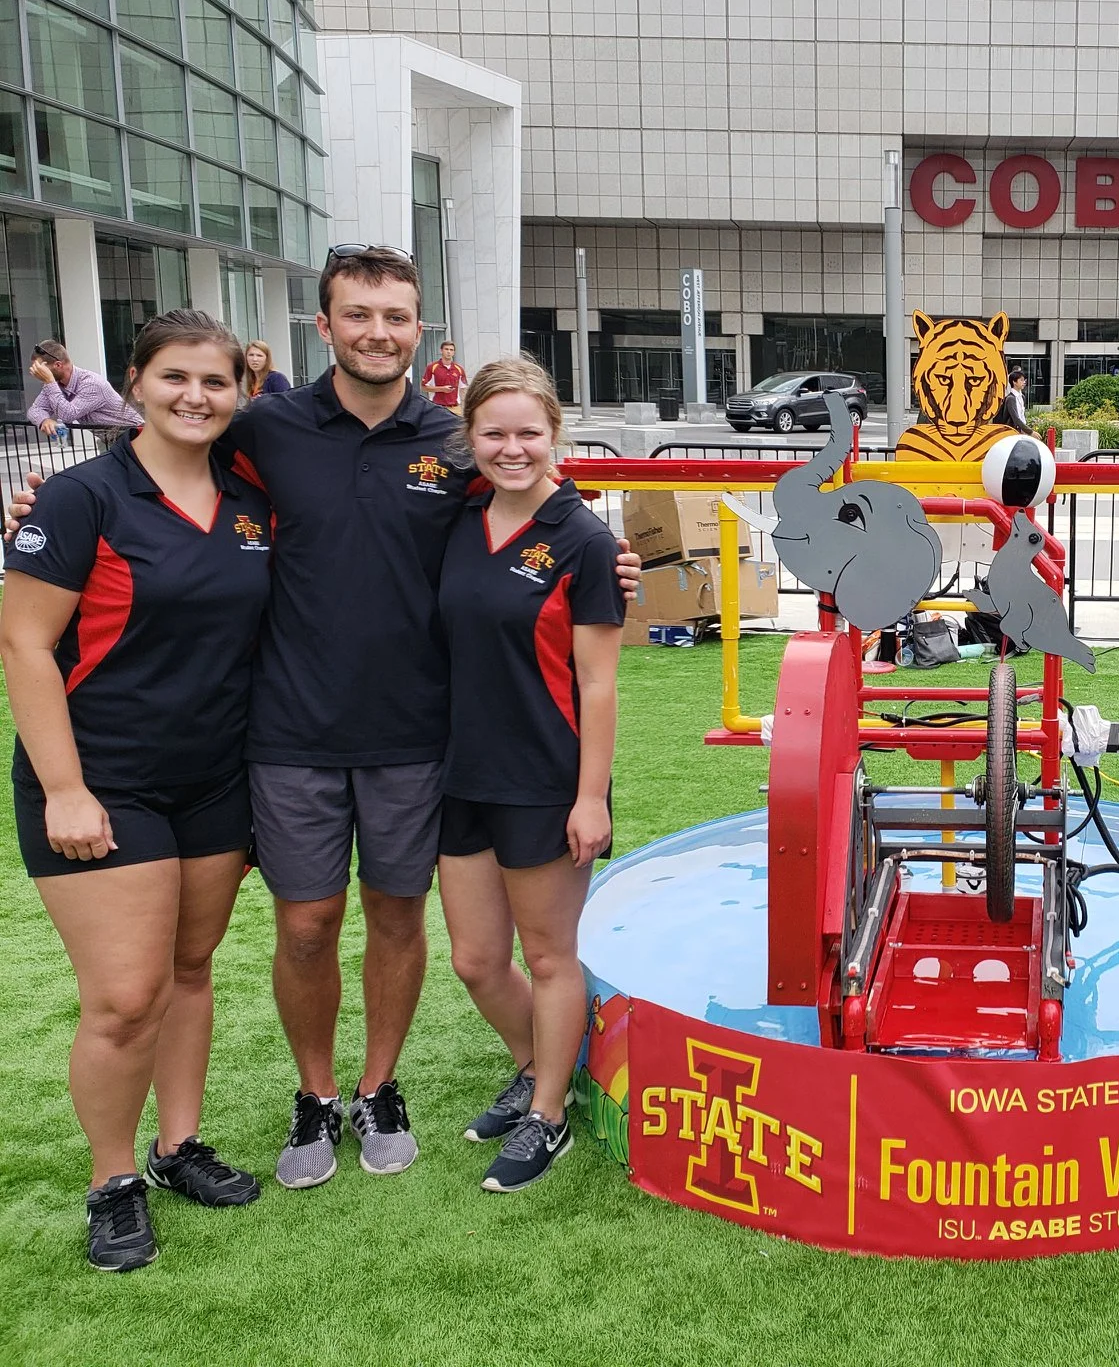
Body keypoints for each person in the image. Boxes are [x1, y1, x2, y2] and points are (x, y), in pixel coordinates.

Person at [2, 249, 641, 1196]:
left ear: (417, 328)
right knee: (304, 925)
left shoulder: (454, 442)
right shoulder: (265, 428)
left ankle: (379, 1088)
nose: (377, 332)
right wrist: (48, 504)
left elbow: (533, 488)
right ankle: (316, 1095)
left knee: (396, 919)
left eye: (395, 316)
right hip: (285, 734)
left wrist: (605, 554)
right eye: (357, 315)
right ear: (324, 325)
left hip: (418, 737)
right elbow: (162, 457)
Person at [0, 311, 270, 1271]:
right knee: (122, 998)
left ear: (241, 392)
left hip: (215, 780)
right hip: (100, 781)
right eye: (176, 378)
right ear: (136, 384)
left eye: (215, 381)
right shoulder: (82, 498)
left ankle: (176, 1146)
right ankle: (110, 1181)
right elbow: (24, 643)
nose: (196, 396)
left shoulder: (250, 498)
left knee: (189, 972)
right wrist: (65, 789)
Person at [436, 359, 622, 1192]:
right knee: (476, 959)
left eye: (529, 434)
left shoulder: (583, 538)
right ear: (470, 437)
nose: (512, 449)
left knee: (550, 958)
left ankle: (550, 1114)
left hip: (546, 778)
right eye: (494, 433)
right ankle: (538, 1066)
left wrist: (589, 797)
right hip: (462, 772)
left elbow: (599, 682)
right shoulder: (459, 511)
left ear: (556, 438)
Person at [26, 339, 144, 435]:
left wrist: (49, 382)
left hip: (135, 435)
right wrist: (44, 420)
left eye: (41, 369)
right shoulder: (55, 385)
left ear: (58, 365)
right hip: (111, 438)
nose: (37, 373)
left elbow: (67, 415)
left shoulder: (91, 383)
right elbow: (34, 410)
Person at [423, 340, 467, 410]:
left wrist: (464, 407)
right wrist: (442, 389)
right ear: (441, 350)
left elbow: (463, 389)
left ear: (454, 352)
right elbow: (423, 387)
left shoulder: (459, 369)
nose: (449, 352)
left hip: (455, 408)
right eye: (446, 349)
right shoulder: (432, 367)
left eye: (451, 350)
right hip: (437, 407)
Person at [1000, 367, 1033, 433]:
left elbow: (1022, 416)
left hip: (1021, 431)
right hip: (1011, 432)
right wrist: (1030, 431)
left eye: (1024, 380)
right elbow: (1015, 418)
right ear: (1014, 382)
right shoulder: (1010, 398)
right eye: (1021, 380)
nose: (1024, 382)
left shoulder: (1022, 397)